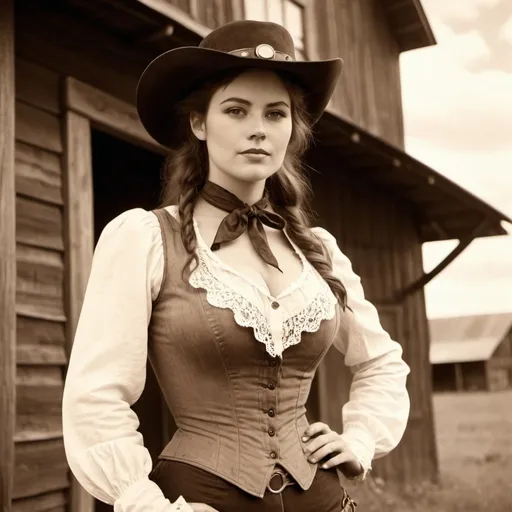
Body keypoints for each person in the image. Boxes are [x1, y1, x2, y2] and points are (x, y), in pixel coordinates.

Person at [62, 20, 410, 512]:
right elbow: (95, 396)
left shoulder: (318, 250)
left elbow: (381, 361)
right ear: (199, 124)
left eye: (276, 113)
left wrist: (359, 439)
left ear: (292, 128)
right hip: (198, 497)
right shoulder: (145, 239)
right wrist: (146, 503)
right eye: (236, 110)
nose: (258, 129)